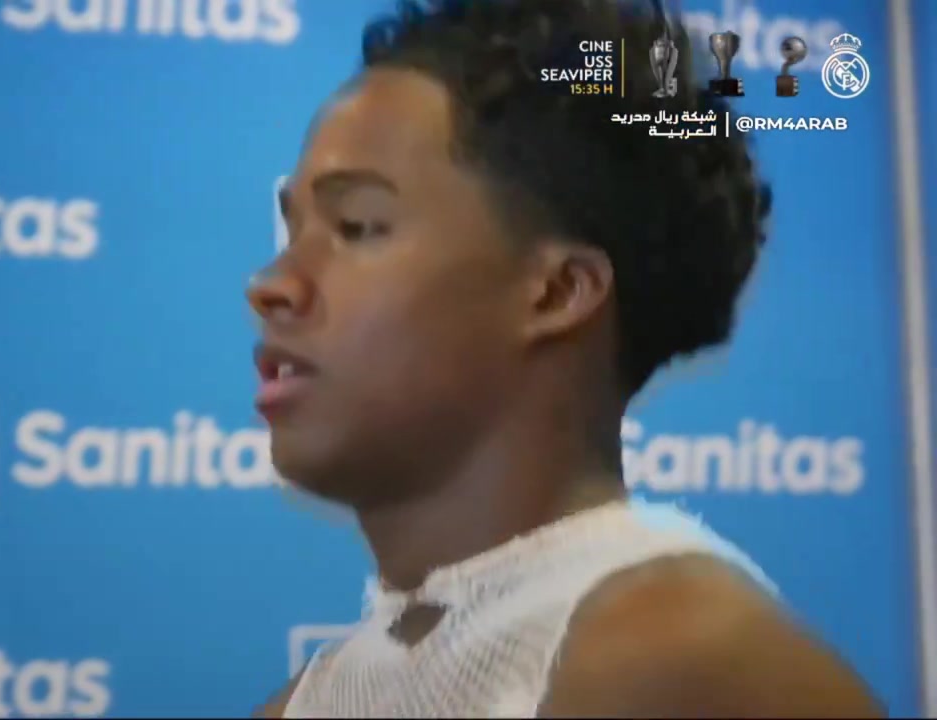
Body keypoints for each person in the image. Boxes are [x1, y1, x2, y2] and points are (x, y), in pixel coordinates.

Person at [246, 0, 885, 717]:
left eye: (358, 226)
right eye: (291, 230)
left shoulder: (691, 662)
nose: (272, 284)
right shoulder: (301, 705)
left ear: (556, 292)